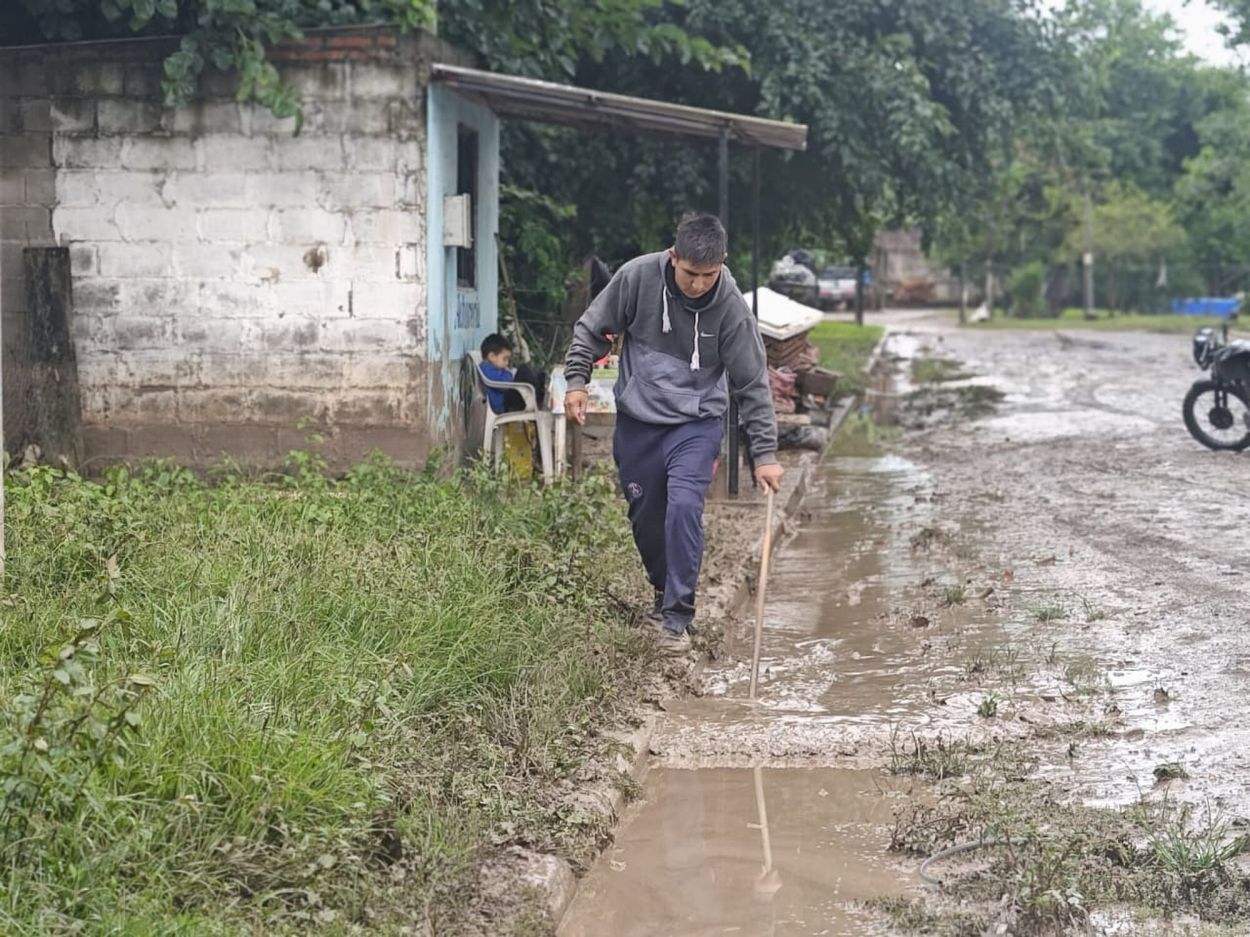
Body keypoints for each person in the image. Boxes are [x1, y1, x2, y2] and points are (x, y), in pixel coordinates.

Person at [563, 213, 783, 655]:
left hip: (696, 424)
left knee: (683, 506)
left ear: (722, 263)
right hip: (639, 422)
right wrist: (576, 382)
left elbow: (753, 383)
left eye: (708, 275)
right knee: (646, 518)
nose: (698, 284)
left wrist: (765, 454)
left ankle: (677, 617)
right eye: (689, 274)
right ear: (673, 256)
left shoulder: (733, 309)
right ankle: (664, 592)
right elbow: (592, 329)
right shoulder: (637, 278)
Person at [478, 333, 548, 414]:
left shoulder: (493, 369)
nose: (507, 363)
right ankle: (538, 398)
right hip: (503, 406)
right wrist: (510, 373)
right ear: (492, 356)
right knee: (523, 370)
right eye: (505, 359)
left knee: (539, 374)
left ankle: (539, 394)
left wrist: (508, 373)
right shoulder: (486, 369)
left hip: (506, 400)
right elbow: (505, 382)